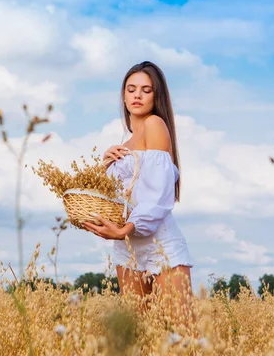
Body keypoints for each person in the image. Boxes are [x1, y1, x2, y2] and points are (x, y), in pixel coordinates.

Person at [82, 61, 193, 320]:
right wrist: (105, 166)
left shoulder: (155, 124)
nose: (137, 95)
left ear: (157, 96)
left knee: (182, 334)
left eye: (146, 90)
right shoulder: (125, 144)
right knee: (140, 336)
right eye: (131, 89)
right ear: (123, 95)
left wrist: (124, 230)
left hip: (159, 244)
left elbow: (158, 195)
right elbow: (115, 200)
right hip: (127, 247)